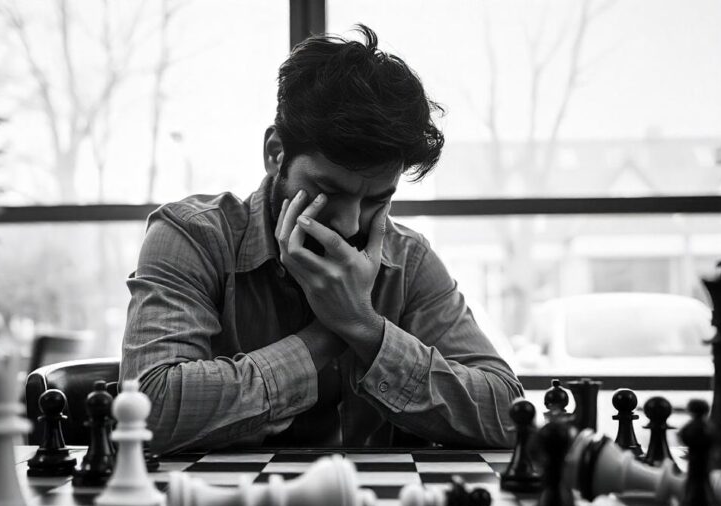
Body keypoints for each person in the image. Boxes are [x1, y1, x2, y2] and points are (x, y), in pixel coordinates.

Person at [122, 24, 523, 453]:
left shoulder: (409, 258)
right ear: (276, 153)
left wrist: (366, 330)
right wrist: (331, 332)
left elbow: (510, 414)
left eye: (377, 199)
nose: (351, 225)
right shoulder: (194, 237)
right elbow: (149, 409)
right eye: (329, 191)